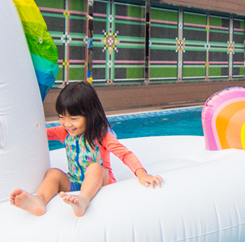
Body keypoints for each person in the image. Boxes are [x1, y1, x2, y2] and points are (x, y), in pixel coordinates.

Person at [9, 81, 163, 217]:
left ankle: (82, 200)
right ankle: (39, 201)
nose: (67, 124)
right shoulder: (64, 132)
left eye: (74, 118)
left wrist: (141, 174)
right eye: (61, 117)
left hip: (102, 182)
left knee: (95, 168)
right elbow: (39, 135)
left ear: (90, 115)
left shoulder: (101, 135)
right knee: (53, 173)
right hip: (75, 181)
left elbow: (125, 154)